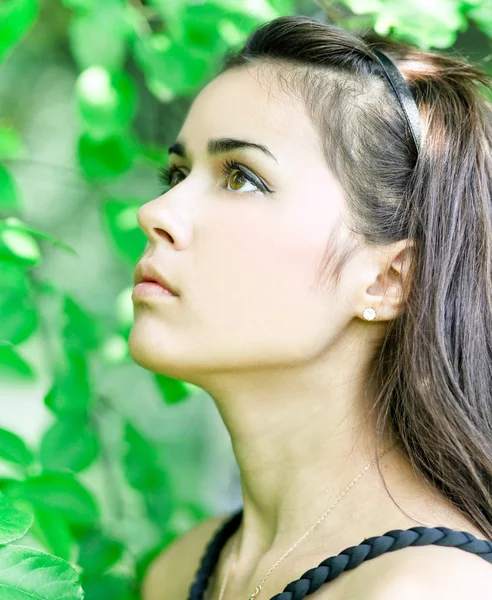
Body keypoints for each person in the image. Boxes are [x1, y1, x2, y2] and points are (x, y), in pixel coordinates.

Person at [128, 14, 492, 600]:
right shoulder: (180, 571)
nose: (156, 211)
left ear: (387, 281)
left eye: (241, 177)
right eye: (176, 173)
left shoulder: (427, 589)